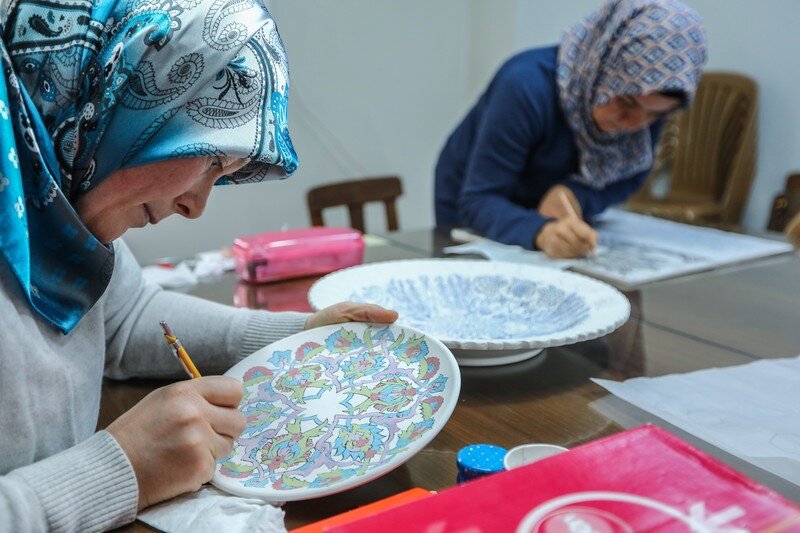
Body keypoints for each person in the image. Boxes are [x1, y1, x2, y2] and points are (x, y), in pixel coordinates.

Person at [0, 1, 396, 531]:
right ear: (115, 93)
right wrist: (123, 470)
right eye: (210, 161)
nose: (196, 207)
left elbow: (127, 315)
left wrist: (295, 336)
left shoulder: (59, 207)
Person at [434, 0, 708, 258]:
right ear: (602, 70)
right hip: (477, 204)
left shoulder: (651, 98)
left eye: (656, 115)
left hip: (552, 217)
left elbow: (632, 174)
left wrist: (576, 195)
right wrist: (540, 231)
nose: (635, 123)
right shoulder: (525, 86)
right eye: (626, 103)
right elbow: (479, 200)